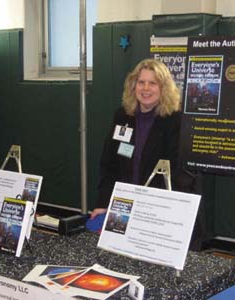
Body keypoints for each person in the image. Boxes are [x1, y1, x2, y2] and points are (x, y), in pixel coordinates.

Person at [90, 58, 205, 251]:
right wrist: (103, 203)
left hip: (162, 213)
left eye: (153, 83)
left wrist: (147, 210)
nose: (146, 88)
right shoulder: (122, 116)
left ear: (164, 88)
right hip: (125, 208)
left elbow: (180, 175)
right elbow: (109, 165)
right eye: (141, 82)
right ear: (133, 85)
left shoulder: (177, 120)